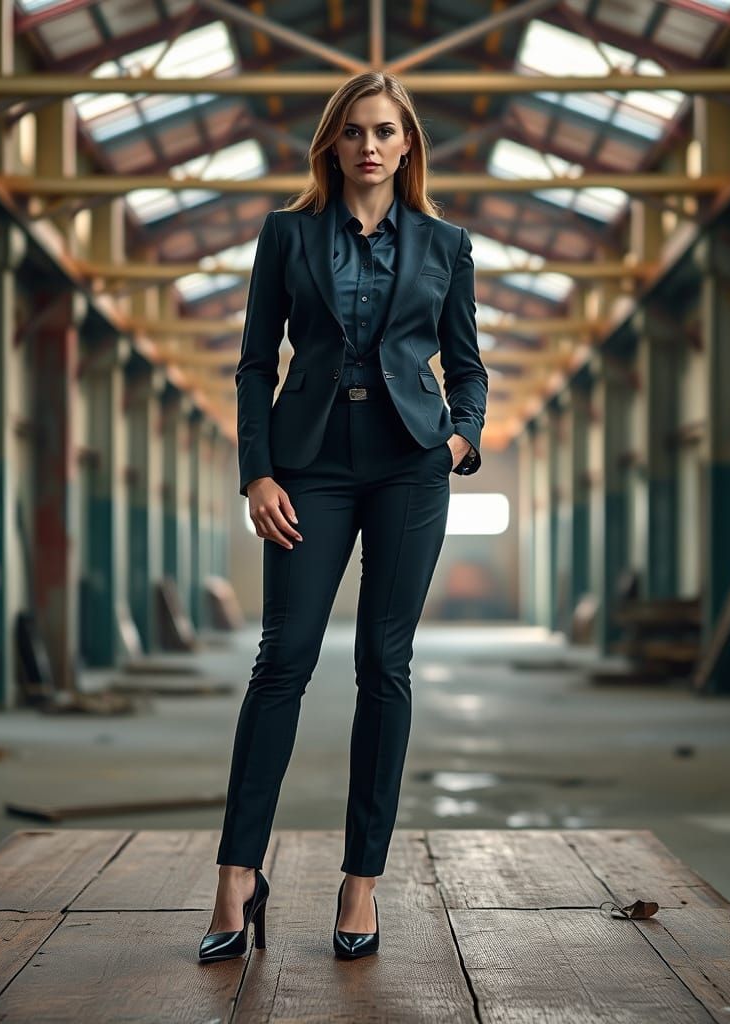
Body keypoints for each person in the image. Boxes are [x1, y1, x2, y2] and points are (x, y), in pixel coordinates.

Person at [199, 70, 487, 964]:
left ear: (408, 146)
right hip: (310, 465)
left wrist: (460, 442)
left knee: (383, 665)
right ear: (333, 143)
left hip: (409, 466)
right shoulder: (285, 236)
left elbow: (467, 364)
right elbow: (254, 364)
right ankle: (236, 874)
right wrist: (257, 474)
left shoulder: (446, 244)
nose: (370, 145)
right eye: (355, 130)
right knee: (281, 662)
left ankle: (361, 881)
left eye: (386, 131)